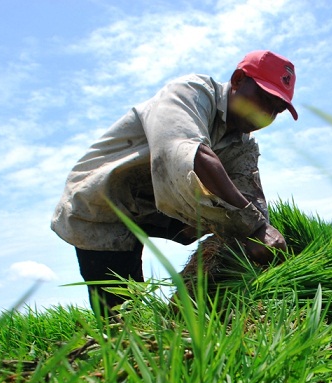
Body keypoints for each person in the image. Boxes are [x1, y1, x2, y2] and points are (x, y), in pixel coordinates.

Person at [51, 50, 298, 312]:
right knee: (121, 315)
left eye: (276, 109)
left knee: (235, 230)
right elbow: (192, 154)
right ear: (237, 80)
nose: (266, 114)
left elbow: (250, 197)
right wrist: (256, 226)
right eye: (263, 99)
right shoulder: (190, 93)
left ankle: (192, 307)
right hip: (103, 202)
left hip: (150, 205)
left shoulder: (242, 144)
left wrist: (267, 243)